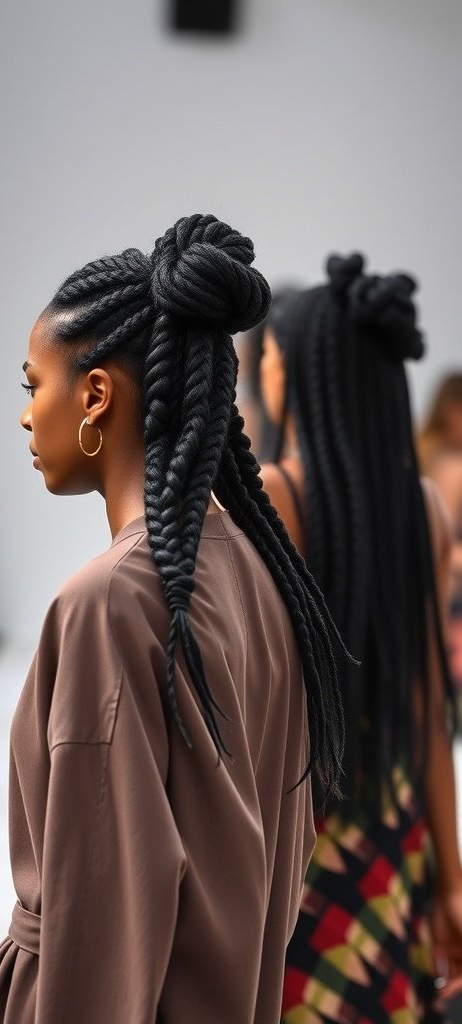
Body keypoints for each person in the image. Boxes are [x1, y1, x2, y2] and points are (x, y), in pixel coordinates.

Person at [0, 214, 344, 1024]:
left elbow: (101, 907)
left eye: (35, 385)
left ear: (95, 394)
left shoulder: (109, 603)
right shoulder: (260, 574)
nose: (28, 416)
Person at [258, 254, 462, 1022]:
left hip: (300, 832)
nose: (264, 374)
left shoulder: (275, 497)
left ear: (303, 374)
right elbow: (428, 714)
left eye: (270, 359)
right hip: (392, 817)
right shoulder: (426, 511)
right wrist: (452, 879)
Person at [419, 375, 462, 687]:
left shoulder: (421, 450)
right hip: (446, 598)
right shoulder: (451, 464)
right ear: (453, 411)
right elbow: (442, 542)